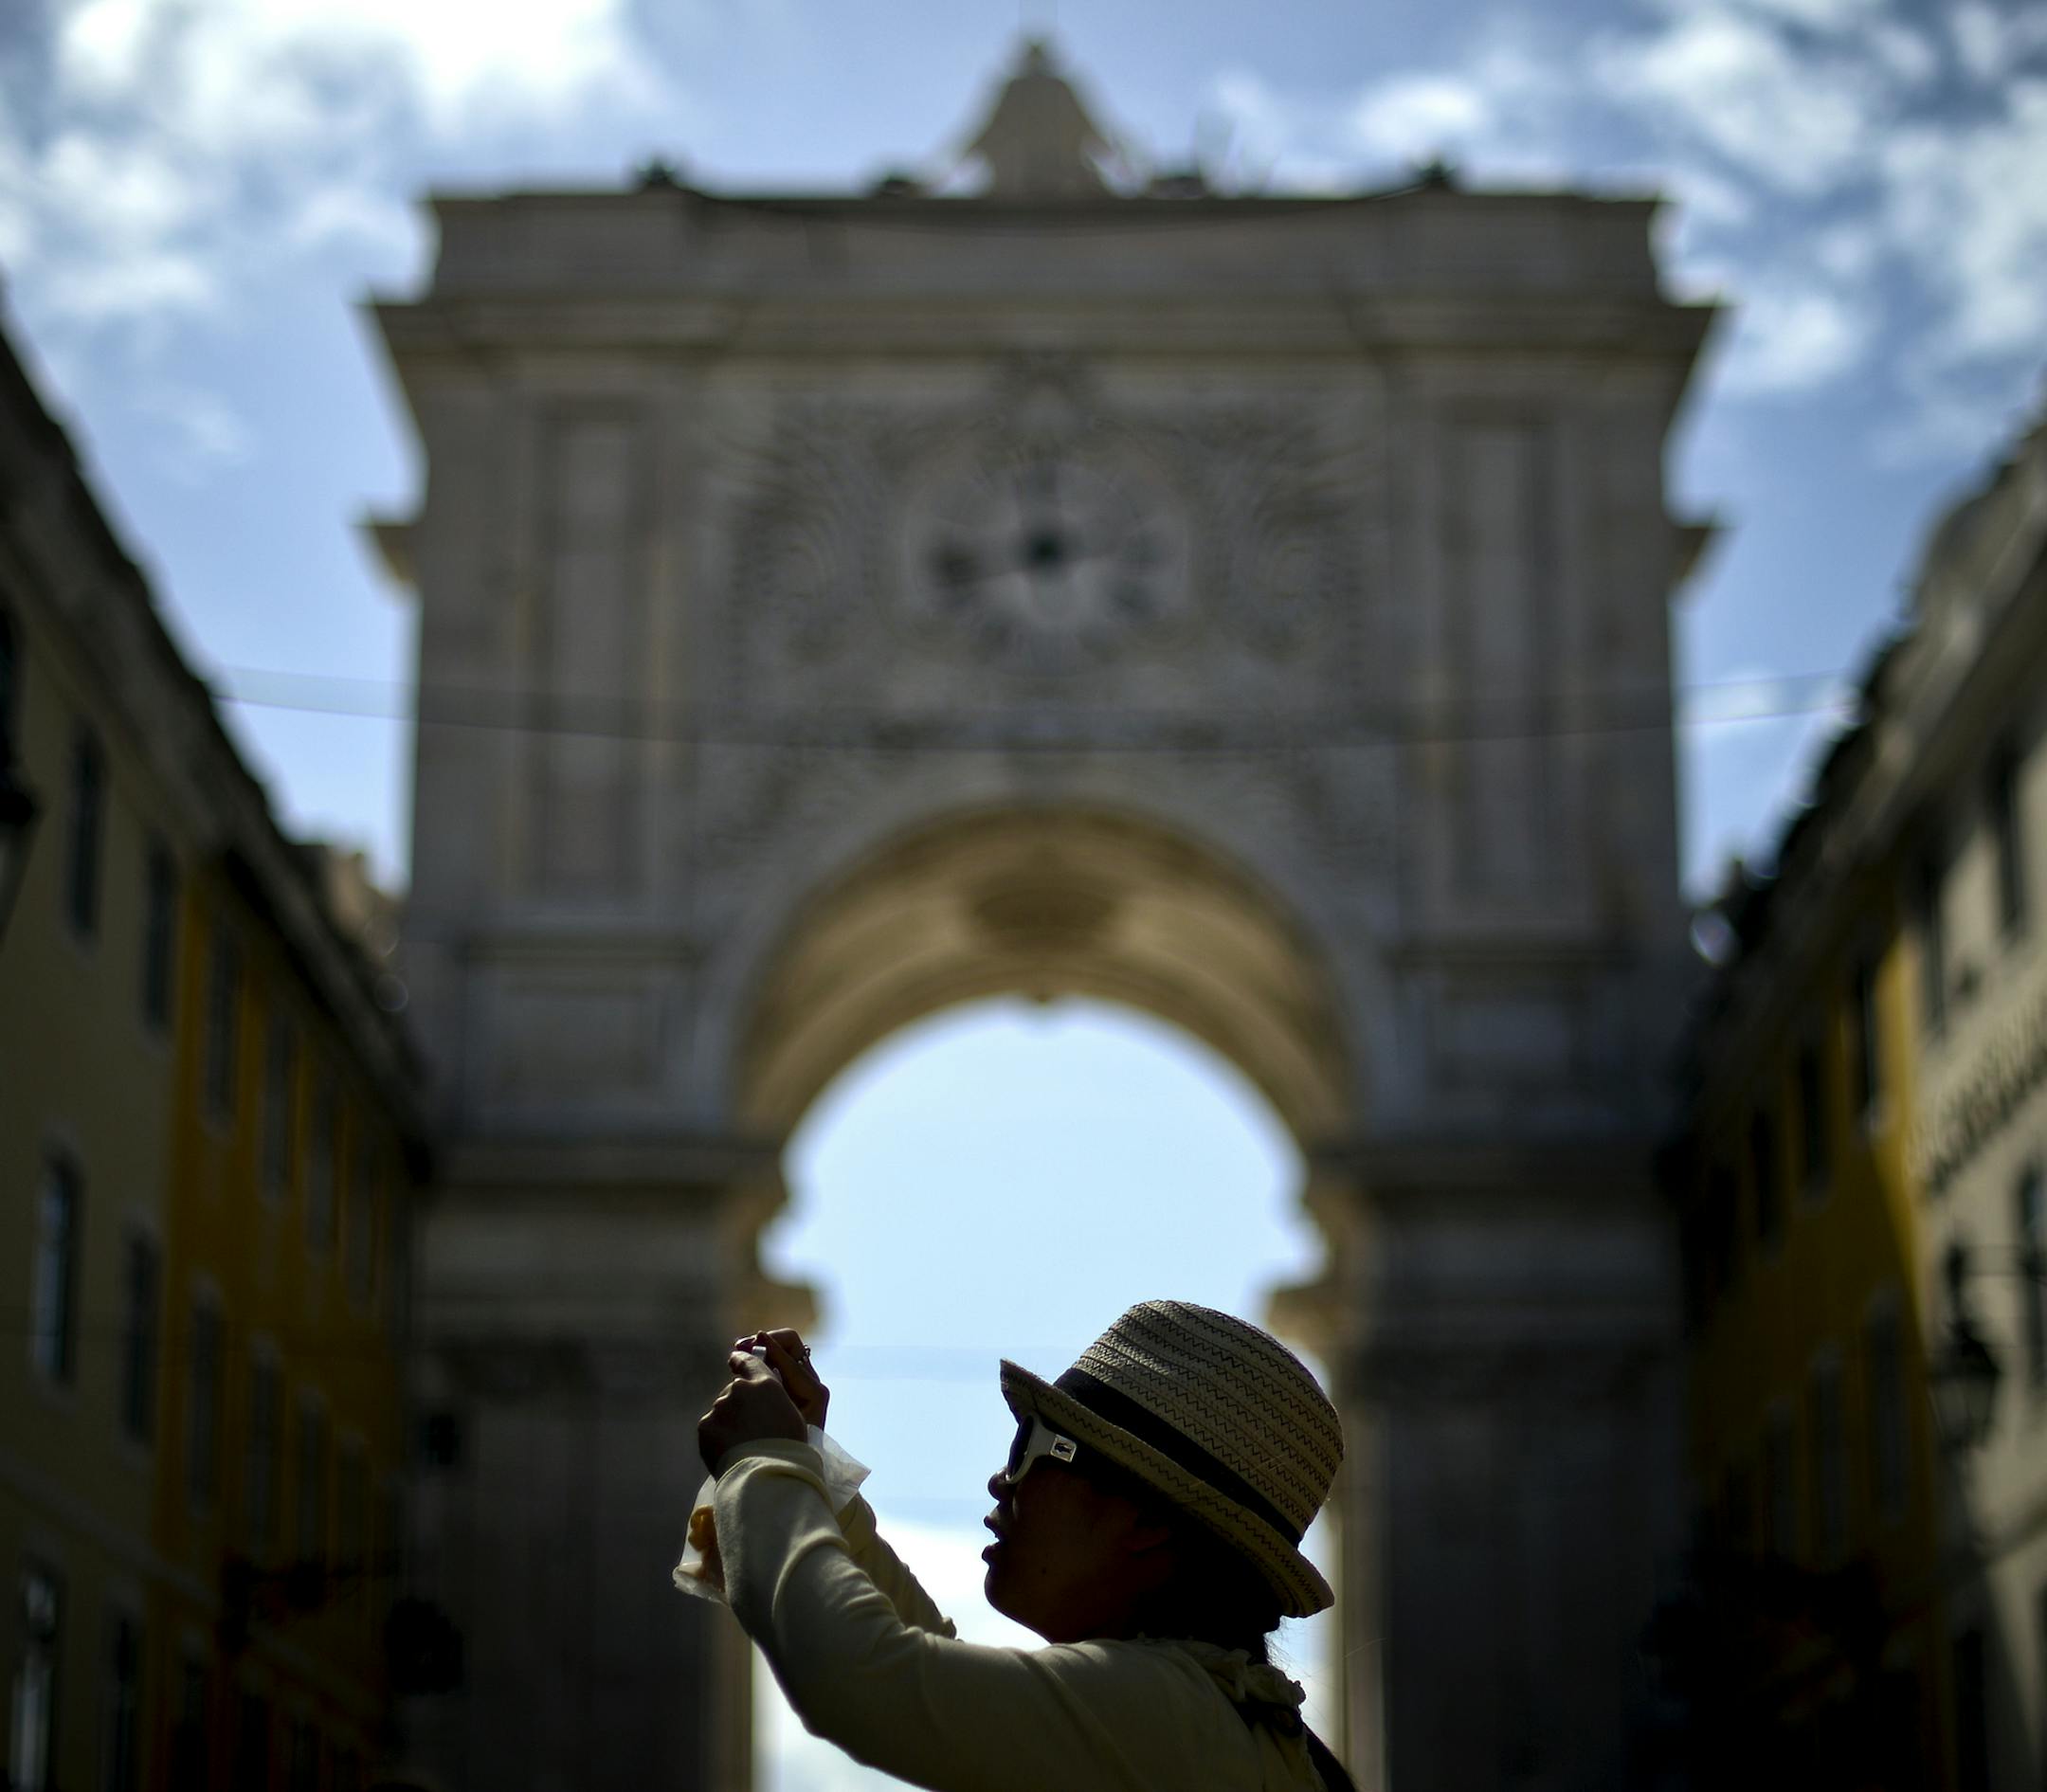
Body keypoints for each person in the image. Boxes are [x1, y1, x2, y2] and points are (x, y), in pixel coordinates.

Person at [695, 1298, 1356, 1790]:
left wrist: (765, 1459)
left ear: (1150, 1520)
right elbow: (930, 1677)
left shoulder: (1166, 1711)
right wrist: (804, 1463)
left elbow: (869, 1678)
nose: (1003, 1479)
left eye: (1039, 1447)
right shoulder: (1202, 1713)